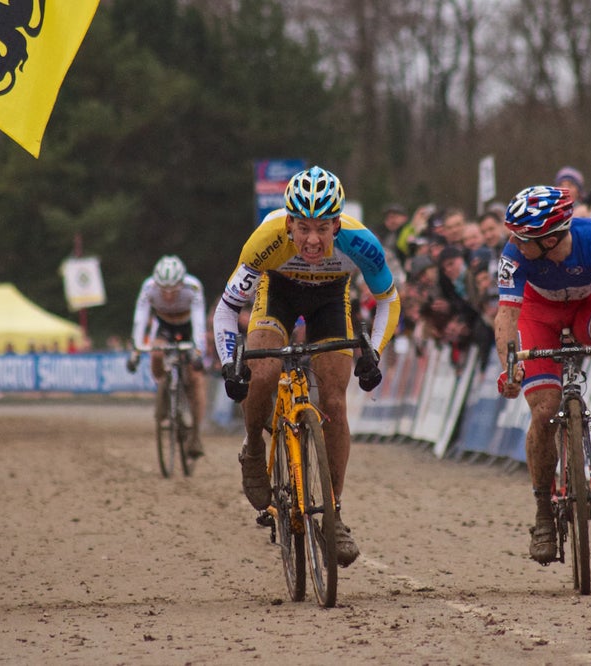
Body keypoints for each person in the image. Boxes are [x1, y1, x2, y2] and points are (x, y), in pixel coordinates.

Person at [212, 165, 400, 567]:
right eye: (303, 228)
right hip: (277, 293)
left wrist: (374, 353)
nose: (312, 240)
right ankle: (253, 447)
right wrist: (231, 363)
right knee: (262, 372)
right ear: (289, 223)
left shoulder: (361, 243)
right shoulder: (265, 240)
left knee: (334, 401)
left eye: (322, 229)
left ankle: (333, 512)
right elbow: (227, 308)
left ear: (336, 224)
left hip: (330, 301)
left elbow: (389, 299)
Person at [492, 185, 591, 565]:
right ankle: (543, 513)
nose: (514, 242)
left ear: (551, 238)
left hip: (587, 307)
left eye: (524, 237)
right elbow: (506, 317)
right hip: (537, 316)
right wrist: (510, 368)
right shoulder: (514, 254)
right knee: (544, 412)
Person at [127, 255, 208, 459]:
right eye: (164, 290)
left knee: (196, 379)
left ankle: (195, 435)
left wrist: (198, 352)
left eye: (174, 290)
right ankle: (164, 387)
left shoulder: (193, 287)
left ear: (182, 283)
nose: (169, 295)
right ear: (157, 284)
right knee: (156, 353)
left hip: (188, 329)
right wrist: (136, 351)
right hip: (163, 327)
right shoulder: (149, 287)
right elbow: (140, 318)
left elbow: (199, 323)